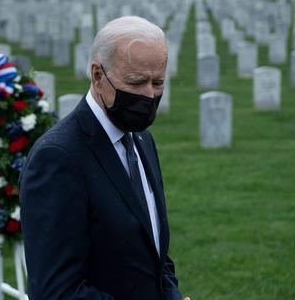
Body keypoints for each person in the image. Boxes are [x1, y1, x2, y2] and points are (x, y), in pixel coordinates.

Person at [19, 16, 189, 300]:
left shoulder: (142, 139)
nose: (149, 95)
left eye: (158, 82)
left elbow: (154, 254)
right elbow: (56, 291)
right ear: (98, 76)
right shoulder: (59, 158)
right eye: (136, 83)